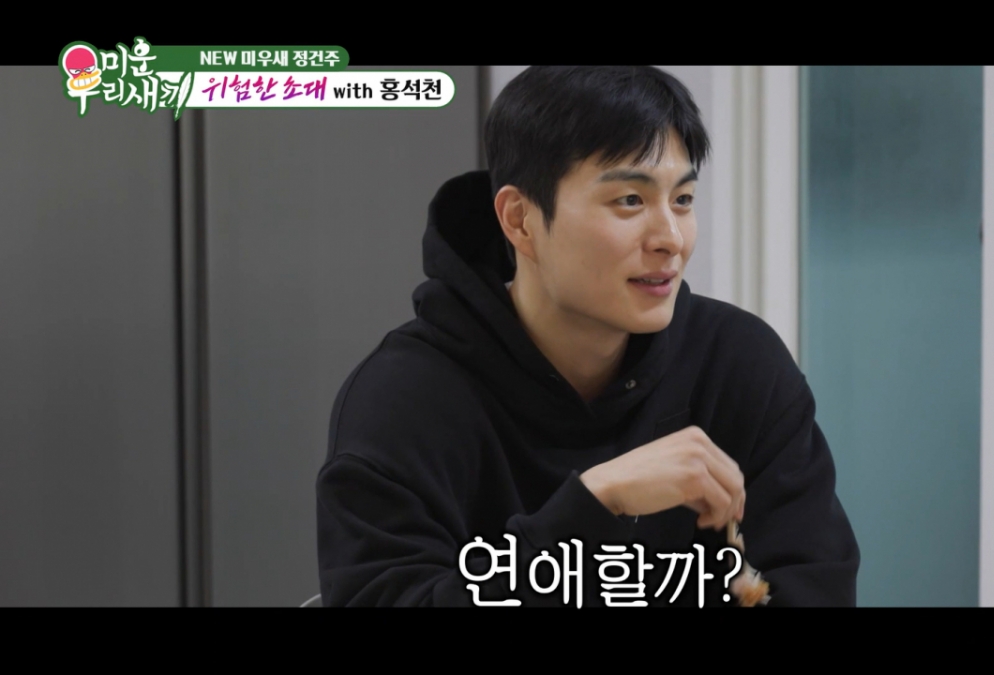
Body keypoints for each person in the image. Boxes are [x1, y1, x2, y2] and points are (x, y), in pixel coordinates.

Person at [315, 66, 859, 607]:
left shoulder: (738, 364)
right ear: (520, 220)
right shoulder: (404, 398)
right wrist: (595, 504)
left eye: (683, 200)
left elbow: (814, 584)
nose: (671, 238)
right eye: (630, 200)